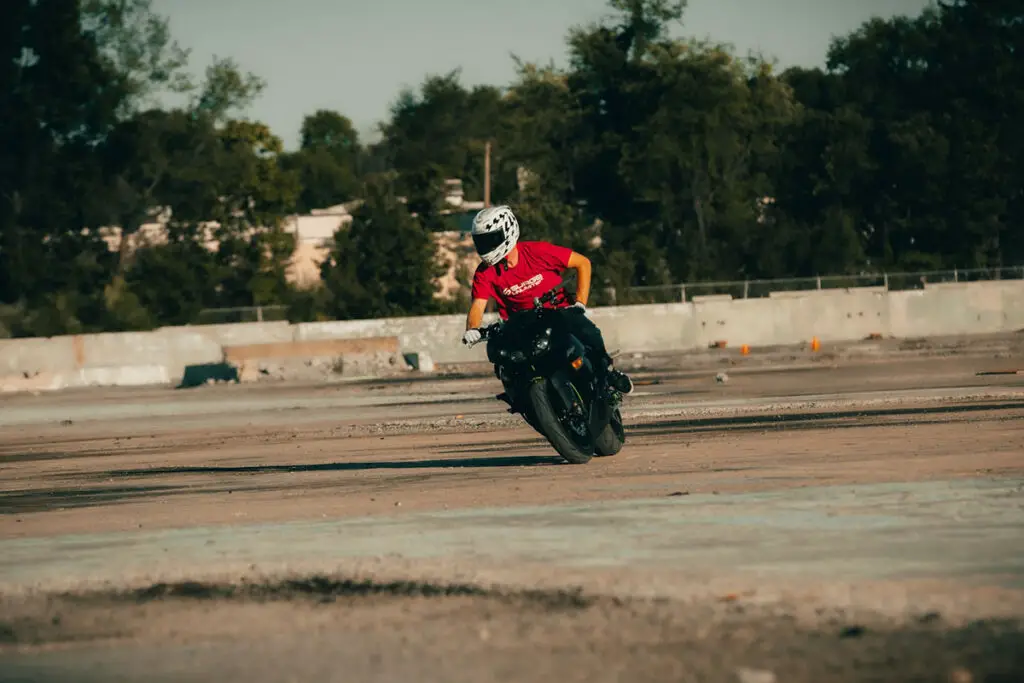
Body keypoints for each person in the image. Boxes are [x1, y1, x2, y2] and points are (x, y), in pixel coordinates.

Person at [460, 204, 634, 395]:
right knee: (504, 360)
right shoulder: (485, 272)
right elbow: (478, 305)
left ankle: (608, 372)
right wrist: (473, 329)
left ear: (508, 231)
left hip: (559, 311)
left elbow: (582, 263)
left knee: (588, 332)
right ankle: (522, 398)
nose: (485, 247)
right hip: (521, 323)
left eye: (490, 240)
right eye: (481, 242)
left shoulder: (538, 252)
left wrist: (579, 304)